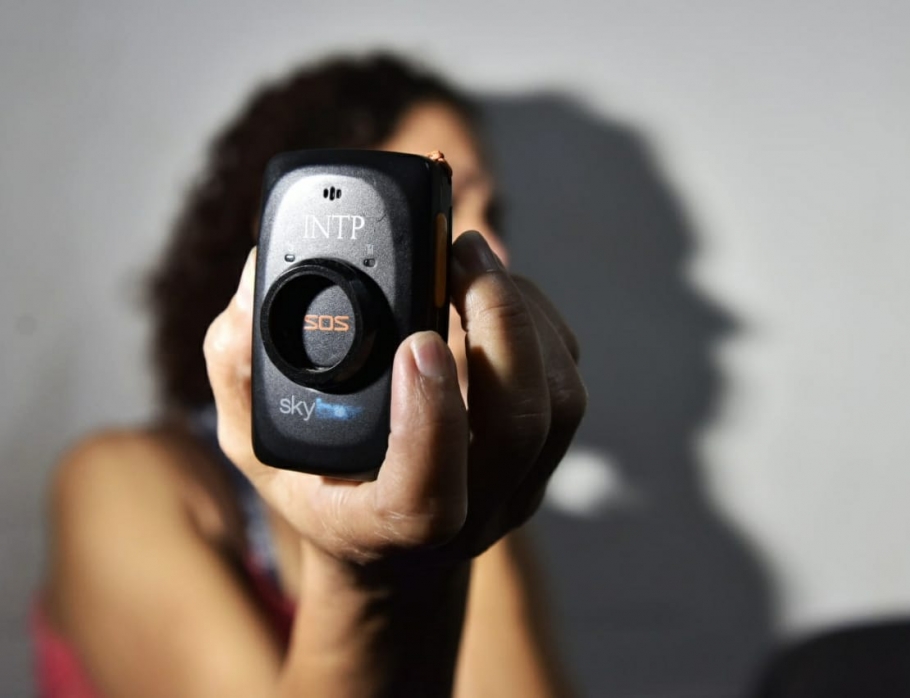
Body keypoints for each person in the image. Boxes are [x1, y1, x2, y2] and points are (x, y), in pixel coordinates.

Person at [35, 54, 586, 697]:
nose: (497, 251)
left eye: (493, 212)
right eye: (442, 204)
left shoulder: (466, 486)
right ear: (289, 230)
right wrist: (374, 573)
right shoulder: (119, 482)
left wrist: (452, 497)